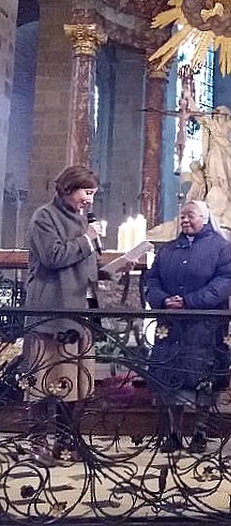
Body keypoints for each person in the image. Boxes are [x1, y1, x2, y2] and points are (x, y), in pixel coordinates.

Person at [24, 165, 107, 466]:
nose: (90, 200)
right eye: (87, 192)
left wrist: (112, 269)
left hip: (79, 314)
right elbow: (53, 257)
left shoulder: (81, 219)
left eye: (93, 194)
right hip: (52, 313)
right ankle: (36, 443)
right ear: (69, 189)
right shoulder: (45, 217)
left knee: (74, 382)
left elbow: (83, 263)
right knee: (44, 380)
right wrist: (87, 240)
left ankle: (65, 440)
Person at [146, 200, 231, 452]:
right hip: (172, 326)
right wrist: (163, 299)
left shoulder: (221, 248)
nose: (185, 220)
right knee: (171, 380)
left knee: (204, 382)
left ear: (205, 219)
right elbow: (152, 280)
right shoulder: (168, 249)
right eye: (182, 216)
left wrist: (189, 301)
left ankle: (200, 431)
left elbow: (225, 281)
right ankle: (174, 433)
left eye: (191, 216)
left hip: (204, 325)